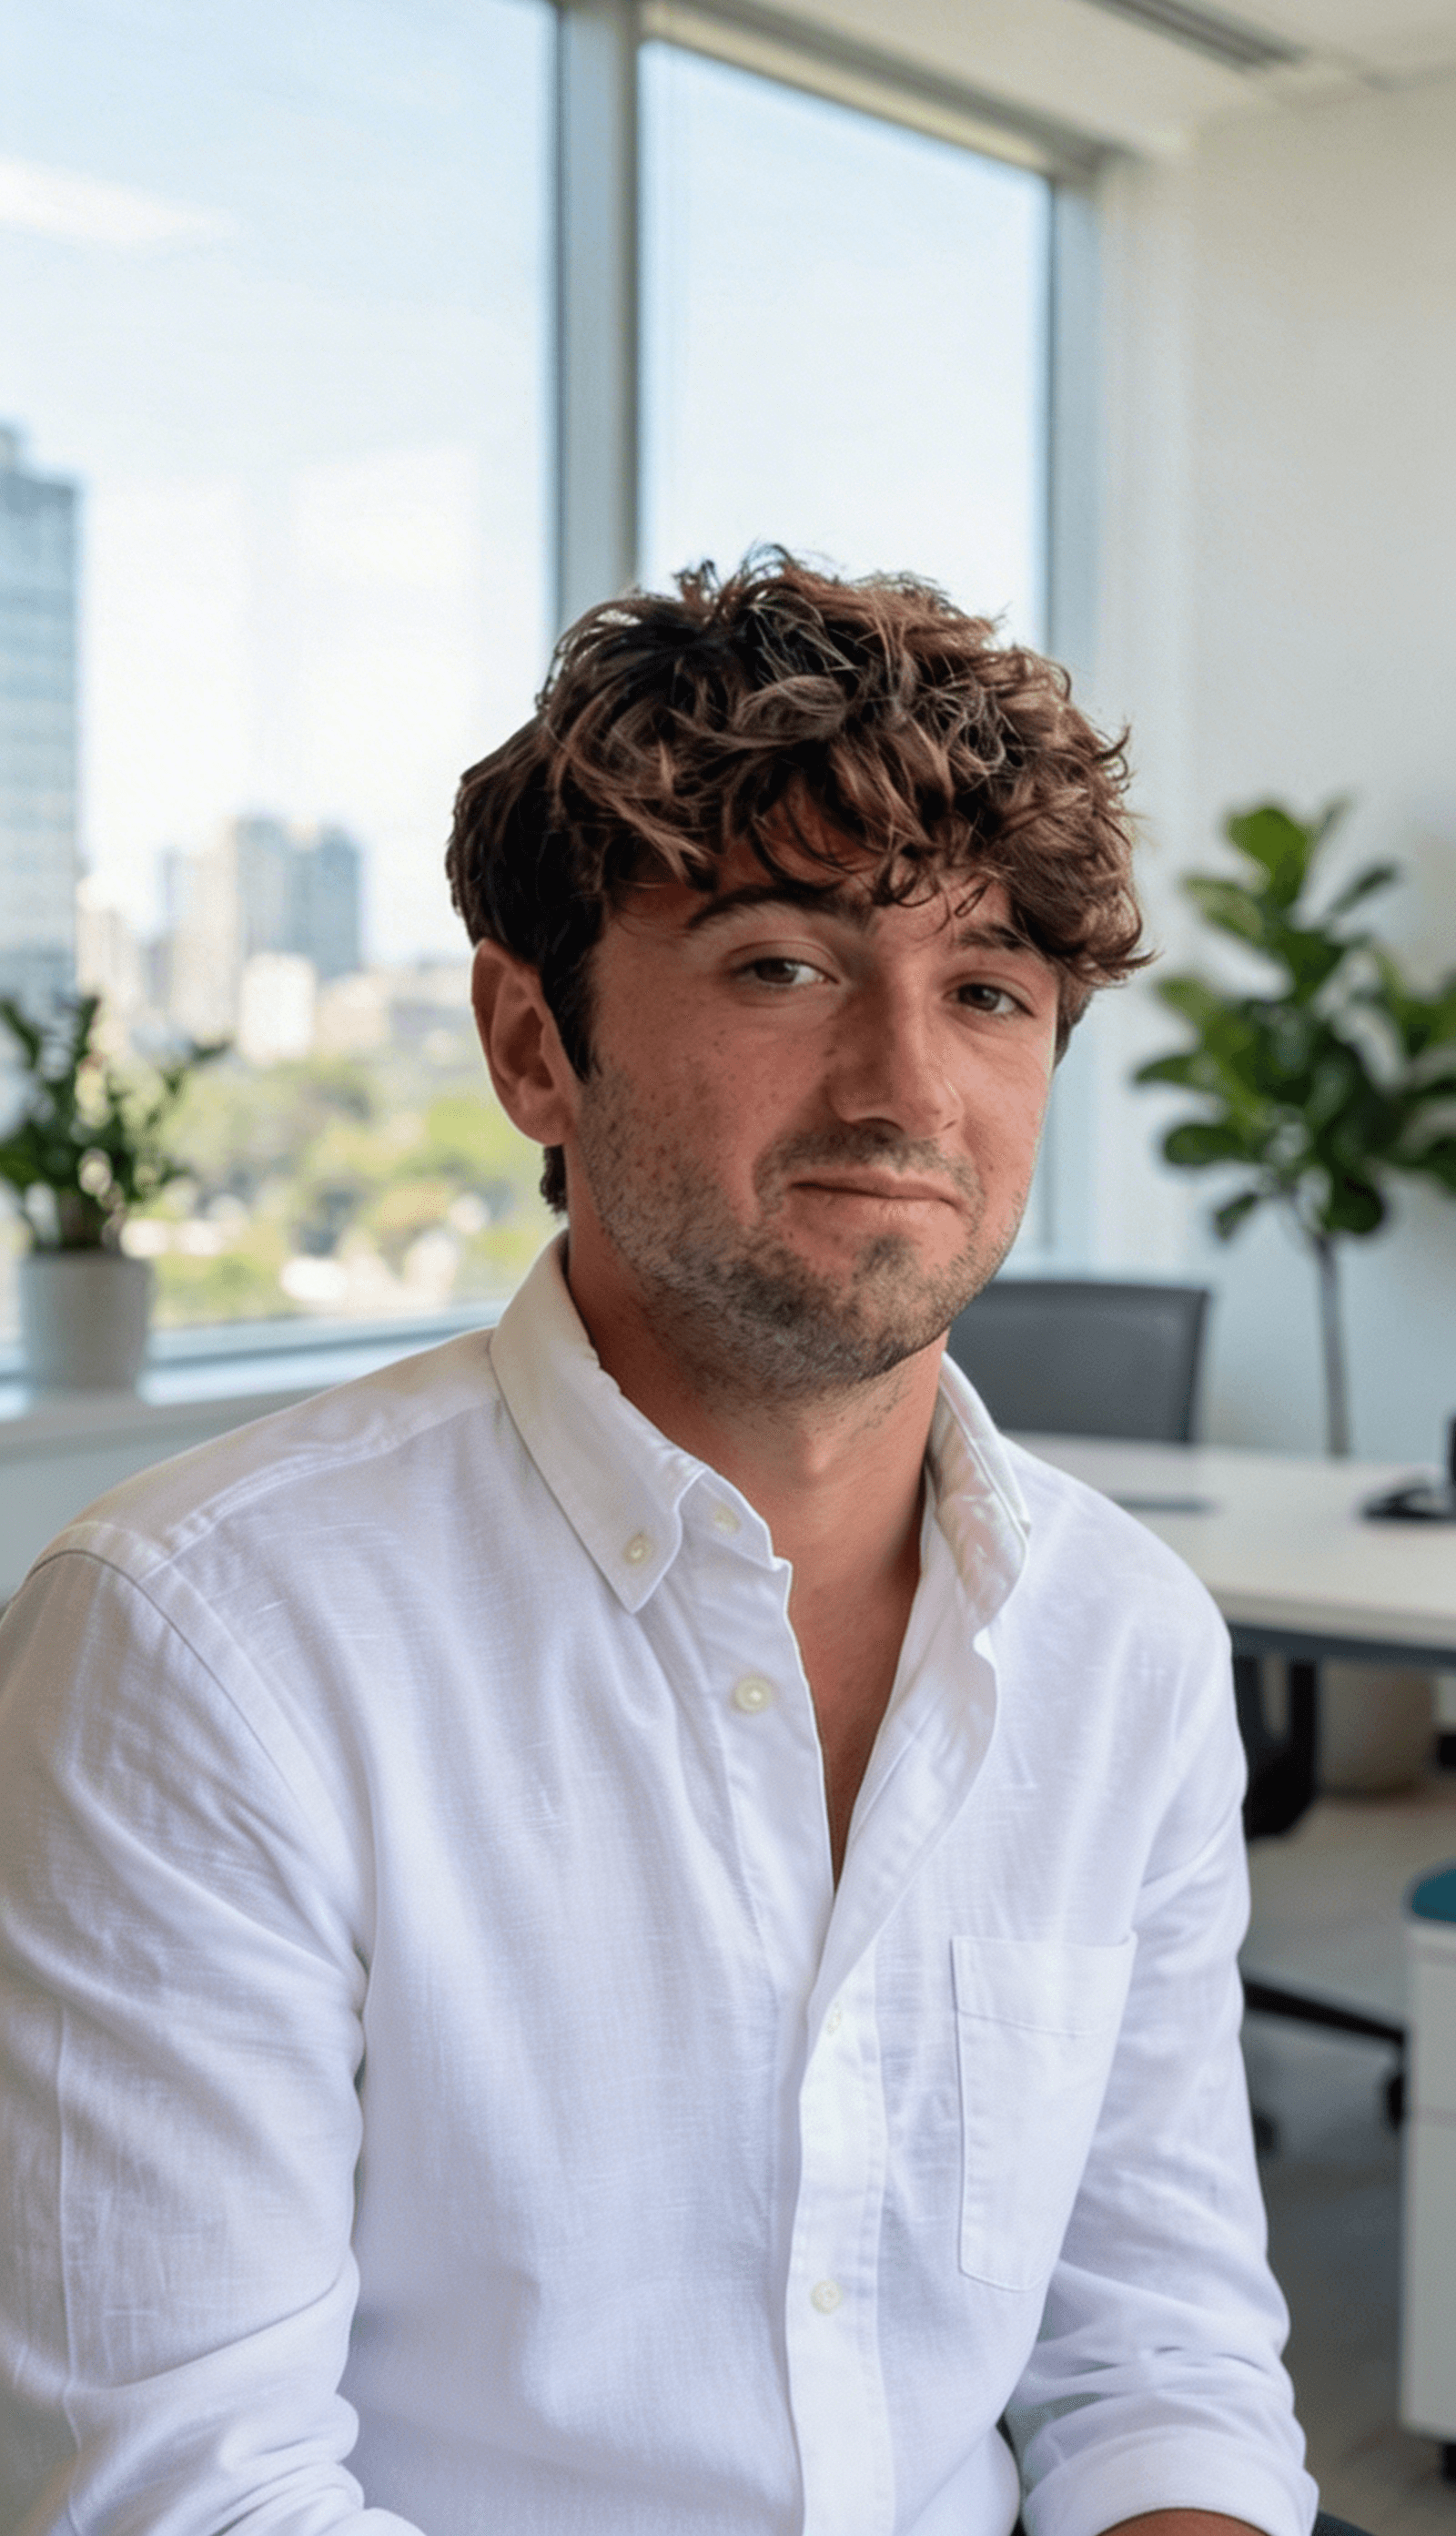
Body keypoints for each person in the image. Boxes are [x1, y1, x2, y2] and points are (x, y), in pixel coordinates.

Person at [0, 556, 1318, 2536]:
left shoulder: (1124, 1637)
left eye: (986, 992)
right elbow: (188, 2495)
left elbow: (1160, 2359)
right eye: (782, 965)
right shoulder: (203, 1639)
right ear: (532, 1042)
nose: (906, 1089)